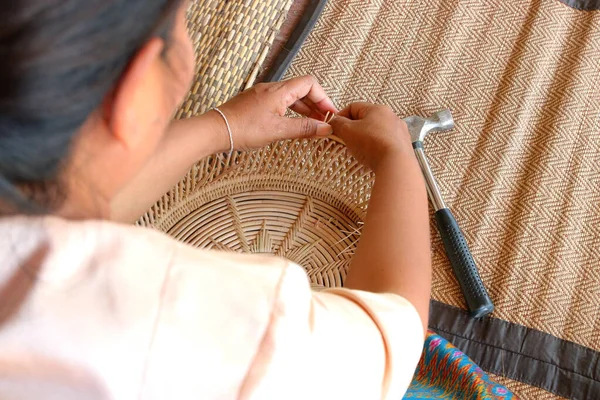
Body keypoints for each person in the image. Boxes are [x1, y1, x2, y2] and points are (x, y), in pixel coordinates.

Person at [0, 0, 431, 399]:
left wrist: (218, 128)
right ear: (134, 87)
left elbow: (65, 210)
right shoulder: (165, 310)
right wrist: (396, 157)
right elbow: (388, 342)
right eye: (180, 21)